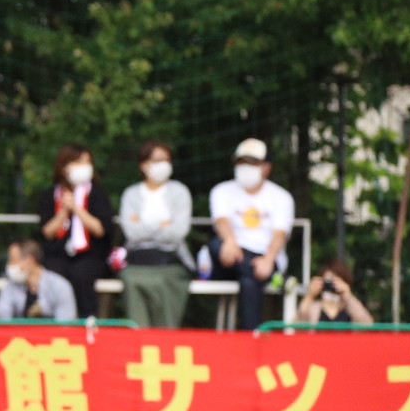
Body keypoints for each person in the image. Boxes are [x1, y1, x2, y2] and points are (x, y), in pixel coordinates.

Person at [207, 138, 294, 331]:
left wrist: (268, 259)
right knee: (215, 245)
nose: (245, 167)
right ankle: (251, 340)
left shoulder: (281, 197)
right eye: (241, 162)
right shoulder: (221, 191)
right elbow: (221, 221)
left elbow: (280, 233)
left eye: (252, 163)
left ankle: (247, 335)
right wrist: (229, 241)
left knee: (249, 280)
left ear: (266, 167)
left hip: (264, 259)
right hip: (228, 257)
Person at [118, 140, 194, 328]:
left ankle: (165, 341)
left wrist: (143, 225)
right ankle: (139, 342)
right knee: (130, 279)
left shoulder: (180, 191)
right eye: (157, 160)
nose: (163, 165)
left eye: (166, 160)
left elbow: (178, 232)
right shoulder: (131, 194)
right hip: (137, 260)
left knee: (164, 282)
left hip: (171, 259)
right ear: (143, 165)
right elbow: (131, 234)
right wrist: (162, 224)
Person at [39, 144, 115, 318]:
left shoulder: (97, 194)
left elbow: (100, 230)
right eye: (79, 162)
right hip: (58, 255)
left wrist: (77, 208)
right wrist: (64, 212)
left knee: (82, 274)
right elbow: (47, 232)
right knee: (53, 272)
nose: (85, 167)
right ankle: (55, 321)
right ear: (64, 167)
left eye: (88, 162)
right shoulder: (50, 194)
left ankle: (87, 319)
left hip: (91, 255)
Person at [0, 239, 78, 320]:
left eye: (13, 260)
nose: (9, 265)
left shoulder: (60, 286)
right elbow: (3, 318)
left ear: (29, 260)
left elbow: (66, 325)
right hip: (19, 339)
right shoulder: (11, 287)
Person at [298, 259, 373, 325]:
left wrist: (348, 296)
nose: (332, 286)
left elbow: (367, 325)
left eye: (337, 281)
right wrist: (310, 296)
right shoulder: (313, 308)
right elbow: (297, 327)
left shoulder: (350, 309)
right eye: (329, 282)